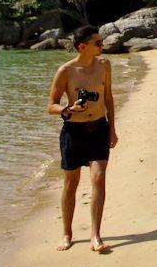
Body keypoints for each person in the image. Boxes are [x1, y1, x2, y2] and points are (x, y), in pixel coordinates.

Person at [45, 25, 118, 253]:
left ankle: (95, 235)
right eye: (98, 42)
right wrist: (68, 109)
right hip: (73, 132)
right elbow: (51, 106)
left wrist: (113, 129)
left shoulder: (104, 66)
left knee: (98, 179)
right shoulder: (66, 71)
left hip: (99, 129)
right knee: (71, 183)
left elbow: (108, 98)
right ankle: (67, 233)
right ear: (82, 46)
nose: (102, 46)